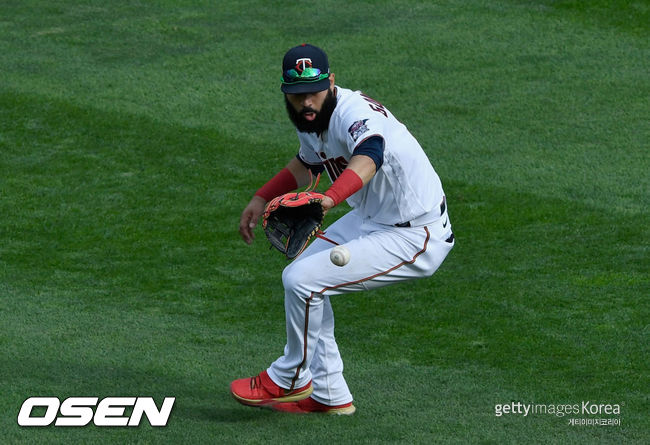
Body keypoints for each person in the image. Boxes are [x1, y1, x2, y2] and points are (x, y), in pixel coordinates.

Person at [231, 43, 454, 415]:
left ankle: (290, 377)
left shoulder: (354, 112)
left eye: (314, 92)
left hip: (415, 233)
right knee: (300, 280)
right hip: (374, 220)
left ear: (331, 82)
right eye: (297, 95)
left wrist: (330, 199)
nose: (306, 103)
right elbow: (307, 162)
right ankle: (331, 394)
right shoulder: (310, 120)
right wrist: (260, 197)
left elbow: (370, 155)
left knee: (303, 282)